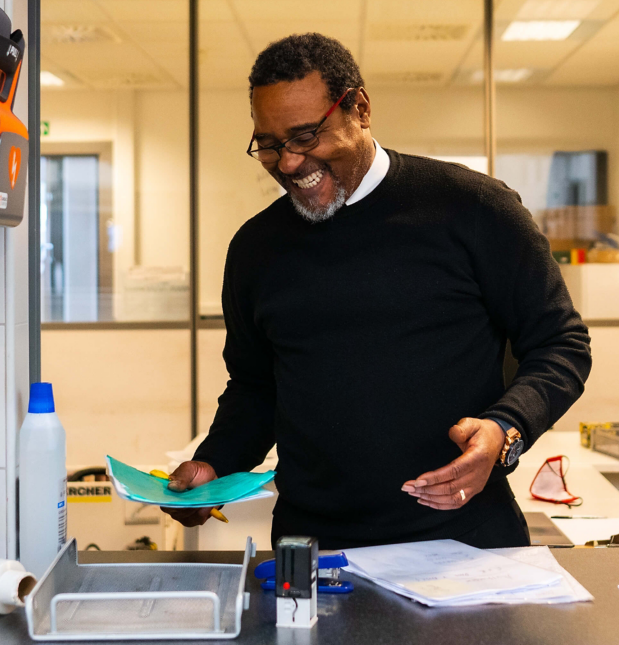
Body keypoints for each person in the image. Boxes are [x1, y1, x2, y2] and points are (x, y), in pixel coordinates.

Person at [163, 33, 592, 550]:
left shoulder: (474, 208)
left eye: (305, 136)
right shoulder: (256, 248)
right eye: (271, 145)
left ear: (360, 108)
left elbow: (561, 343)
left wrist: (506, 428)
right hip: (314, 549)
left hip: (464, 542)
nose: (290, 163)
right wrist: (216, 462)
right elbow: (256, 387)